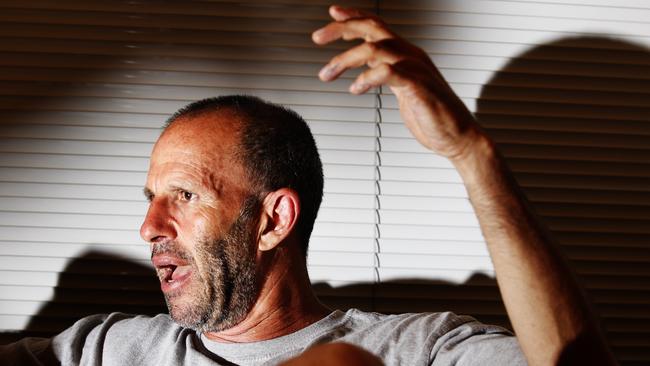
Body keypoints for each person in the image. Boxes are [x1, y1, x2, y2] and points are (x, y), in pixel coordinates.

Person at [0, 5, 616, 366]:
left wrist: (470, 153)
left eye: (183, 196)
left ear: (273, 219)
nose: (149, 227)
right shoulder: (102, 350)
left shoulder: (415, 349)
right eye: (151, 200)